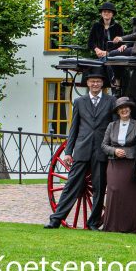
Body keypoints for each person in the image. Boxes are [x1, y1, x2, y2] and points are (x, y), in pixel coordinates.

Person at [45, 69, 116, 230]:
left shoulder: (111, 101)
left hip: (101, 150)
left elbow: (113, 127)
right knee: (71, 185)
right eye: (92, 81)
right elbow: (74, 128)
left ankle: (93, 222)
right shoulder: (79, 102)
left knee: (99, 187)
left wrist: (113, 149)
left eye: (98, 81)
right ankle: (56, 219)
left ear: (102, 83)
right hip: (82, 149)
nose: (95, 84)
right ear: (88, 84)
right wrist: (68, 151)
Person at [100, 96, 136, 233]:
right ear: (118, 112)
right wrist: (114, 151)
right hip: (114, 164)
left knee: (129, 194)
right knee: (114, 190)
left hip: (130, 164)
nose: (124, 110)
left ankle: (129, 227)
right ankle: (111, 226)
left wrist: (128, 152)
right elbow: (104, 145)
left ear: (130, 109)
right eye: (121, 108)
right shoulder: (112, 126)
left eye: (126, 107)